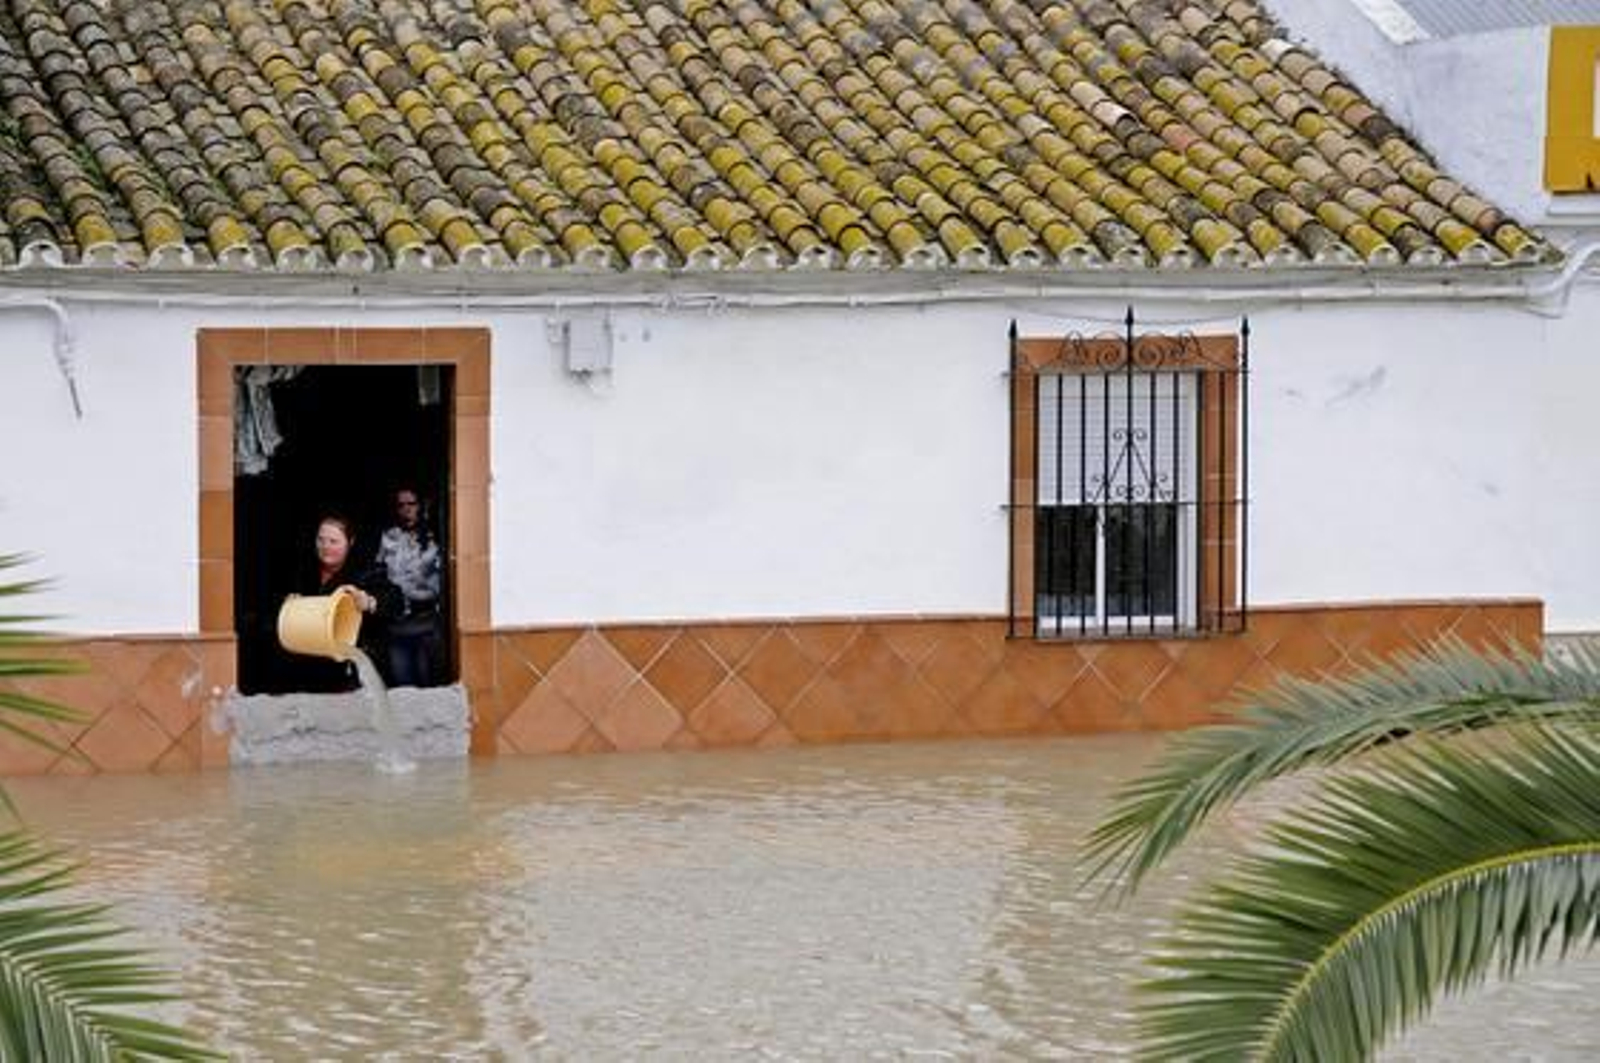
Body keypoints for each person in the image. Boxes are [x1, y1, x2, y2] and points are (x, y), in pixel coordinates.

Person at [283, 514, 398, 693]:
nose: (325, 547)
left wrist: (369, 602)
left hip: (351, 675)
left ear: (350, 542)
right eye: (320, 540)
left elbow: (394, 598)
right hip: (309, 670)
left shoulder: (366, 571)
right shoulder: (304, 570)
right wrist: (290, 604)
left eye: (333, 541)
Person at [375, 486, 445, 687]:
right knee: (402, 688)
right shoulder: (388, 537)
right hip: (396, 626)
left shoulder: (436, 537)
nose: (406, 509)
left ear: (421, 506)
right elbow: (380, 573)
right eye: (401, 505)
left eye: (411, 504)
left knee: (427, 687)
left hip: (426, 623)